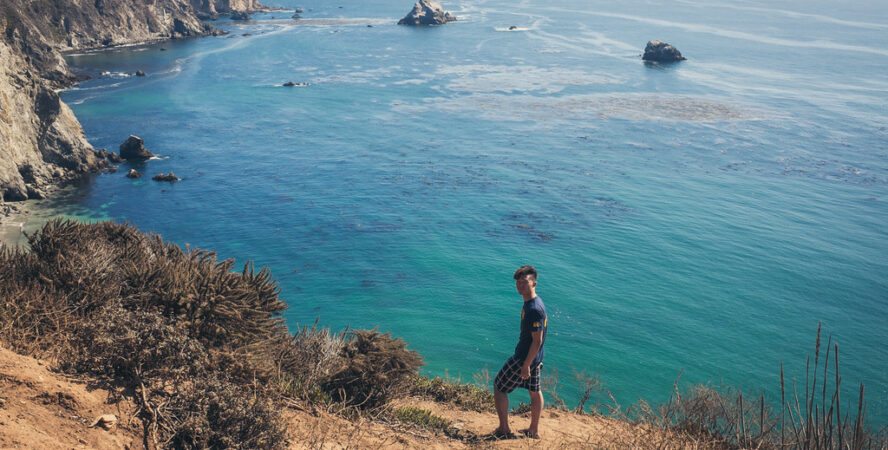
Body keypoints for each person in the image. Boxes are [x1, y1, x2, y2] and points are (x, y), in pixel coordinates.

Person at [493, 265, 548, 439]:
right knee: (534, 391)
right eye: (518, 282)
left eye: (524, 282)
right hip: (535, 357)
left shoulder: (533, 309)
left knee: (499, 387)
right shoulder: (534, 303)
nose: (519, 286)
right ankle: (534, 430)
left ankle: (504, 429)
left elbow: (537, 340)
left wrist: (525, 365)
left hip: (524, 357)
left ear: (534, 283)